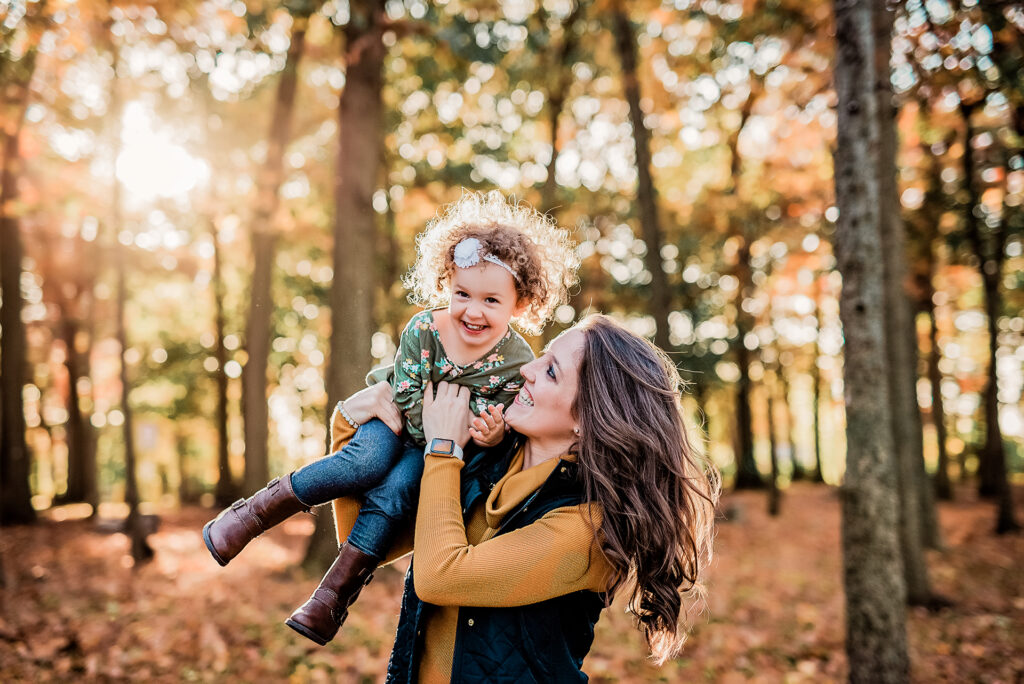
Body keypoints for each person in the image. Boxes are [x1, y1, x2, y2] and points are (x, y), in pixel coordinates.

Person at [202, 191, 578, 645]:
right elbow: (404, 393)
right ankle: (251, 515)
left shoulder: (518, 361)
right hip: (400, 421)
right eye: (462, 293)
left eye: (491, 301)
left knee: (397, 489)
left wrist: (491, 432)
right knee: (363, 464)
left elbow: (497, 421)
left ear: (519, 304)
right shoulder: (424, 329)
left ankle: (332, 598)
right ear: (447, 286)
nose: (472, 311)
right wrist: (445, 425)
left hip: (438, 446)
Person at [330, 314, 720, 682]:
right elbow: (365, 542)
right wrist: (348, 425)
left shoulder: (586, 528)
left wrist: (443, 448)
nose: (526, 369)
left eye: (550, 371)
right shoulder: (490, 454)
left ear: (587, 417)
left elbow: (439, 578)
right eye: (543, 357)